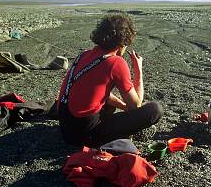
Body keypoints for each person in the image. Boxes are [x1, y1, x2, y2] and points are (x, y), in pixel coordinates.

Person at [57, 14, 163, 148]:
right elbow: (136, 105)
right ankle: (116, 135)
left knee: (110, 104)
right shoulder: (116, 62)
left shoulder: (84, 54)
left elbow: (97, 92)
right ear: (123, 43)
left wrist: (123, 107)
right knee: (155, 110)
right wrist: (138, 70)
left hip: (66, 129)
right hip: (85, 135)